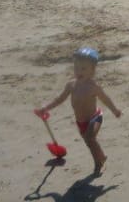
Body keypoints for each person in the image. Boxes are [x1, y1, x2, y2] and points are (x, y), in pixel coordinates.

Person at [35, 47, 121, 176]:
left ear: (93, 70)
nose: (79, 71)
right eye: (76, 68)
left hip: (95, 117)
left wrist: (115, 110)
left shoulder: (93, 87)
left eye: (83, 68)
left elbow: (105, 99)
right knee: (89, 143)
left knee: (90, 138)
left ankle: (99, 162)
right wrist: (45, 108)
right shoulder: (71, 85)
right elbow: (59, 99)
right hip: (81, 122)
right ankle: (101, 158)